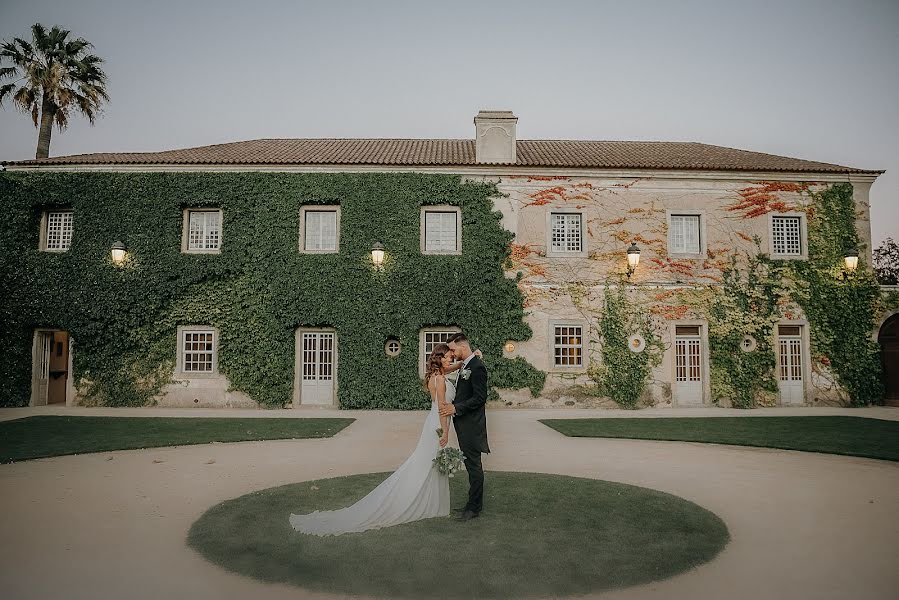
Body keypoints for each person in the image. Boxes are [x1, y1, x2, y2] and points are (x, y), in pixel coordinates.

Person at [288, 343, 480, 536]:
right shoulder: (439, 379)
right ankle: (413, 501)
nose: (451, 358)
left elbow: (451, 369)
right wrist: (445, 433)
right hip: (437, 425)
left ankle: (431, 503)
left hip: (433, 423)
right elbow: (442, 409)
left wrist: (465, 361)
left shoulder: (437, 375)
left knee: (428, 465)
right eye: (447, 356)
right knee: (424, 466)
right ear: (439, 358)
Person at [439, 332, 490, 521]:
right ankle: (472, 503)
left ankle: (474, 508)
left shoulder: (477, 367)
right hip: (463, 423)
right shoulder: (467, 365)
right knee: (470, 464)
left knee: (474, 466)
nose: (451, 353)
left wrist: (456, 407)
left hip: (472, 425)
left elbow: (479, 398)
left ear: (462, 346)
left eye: (453, 349)